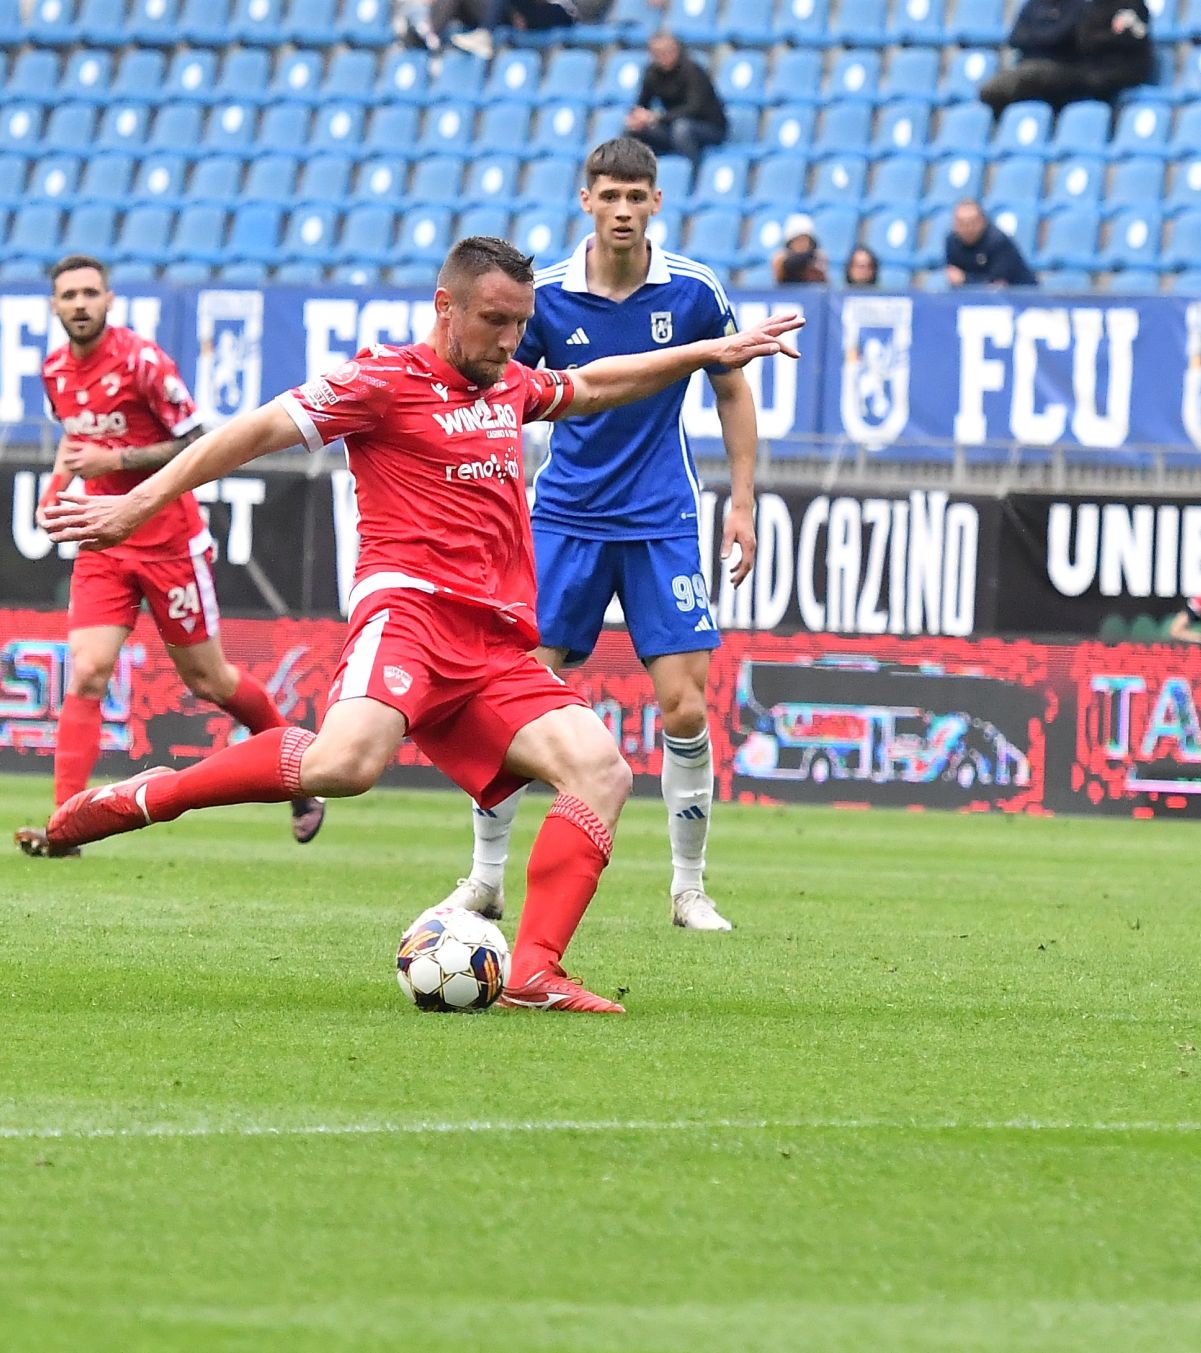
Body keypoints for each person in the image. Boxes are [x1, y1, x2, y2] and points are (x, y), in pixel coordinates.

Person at [36, 236, 801, 1013]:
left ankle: (534, 971)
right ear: (445, 307)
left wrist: (706, 352)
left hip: (492, 644)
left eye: (520, 323)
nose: (510, 340)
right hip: (407, 617)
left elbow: (598, 383)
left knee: (601, 770)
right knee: (346, 763)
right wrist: (137, 502)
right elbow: (253, 430)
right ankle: (155, 795)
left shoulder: (507, 384)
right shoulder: (380, 381)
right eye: (495, 321)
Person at [439, 138, 761, 935]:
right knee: (516, 698)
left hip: (660, 519)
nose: (622, 210)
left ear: (656, 202)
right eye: (608, 195)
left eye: (635, 196)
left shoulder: (693, 290)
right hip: (563, 519)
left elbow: (731, 391)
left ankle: (688, 889)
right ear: (585, 200)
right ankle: (485, 877)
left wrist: (743, 502)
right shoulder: (546, 296)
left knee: (683, 706)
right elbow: (499, 395)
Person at [14, 255, 324, 859]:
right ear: (53, 306)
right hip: (103, 540)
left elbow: (195, 441)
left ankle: (300, 775)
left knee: (210, 680)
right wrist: (56, 493)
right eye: (69, 295)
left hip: (167, 541)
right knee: (87, 671)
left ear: (109, 300)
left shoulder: (142, 362)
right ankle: (65, 826)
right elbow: (76, 440)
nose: (80, 304)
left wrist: (117, 461)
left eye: (90, 293)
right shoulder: (54, 369)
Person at [979, 0, 1152, 116]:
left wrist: (1100, 38)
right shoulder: (1093, 7)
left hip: (1103, 76)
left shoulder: (1127, 5)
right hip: (1085, 71)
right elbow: (1017, 38)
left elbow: (1090, 39)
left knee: (1038, 75)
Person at [626, 31, 726, 167]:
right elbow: (642, 104)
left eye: (666, 51)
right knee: (635, 130)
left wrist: (656, 117)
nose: (662, 55)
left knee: (682, 129)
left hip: (708, 127)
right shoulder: (651, 73)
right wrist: (637, 117)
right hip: (671, 125)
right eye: (656, 52)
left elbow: (694, 108)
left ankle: (692, 172)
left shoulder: (692, 71)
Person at [945, 199, 1038, 288]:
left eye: (972, 222)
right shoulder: (952, 242)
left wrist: (965, 280)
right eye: (961, 223)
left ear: (983, 221)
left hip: (1022, 295)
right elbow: (954, 277)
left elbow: (996, 286)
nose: (968, 228)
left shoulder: (998, 242)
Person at [771, 213, 829, 286]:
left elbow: (823, 283)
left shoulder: (818, 258)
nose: (802, 244)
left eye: (805, 239)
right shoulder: (780, 258)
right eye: (798, 240)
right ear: (790, 242)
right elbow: (778, 279)